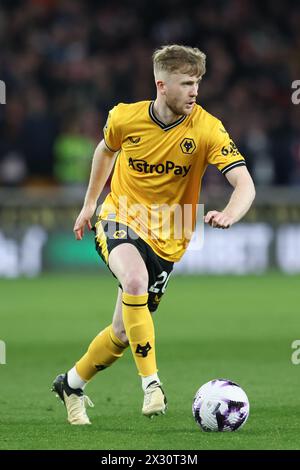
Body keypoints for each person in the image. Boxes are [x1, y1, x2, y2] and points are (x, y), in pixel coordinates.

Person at [52, 44, 255, 425]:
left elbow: (245, 184)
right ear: (162, 85)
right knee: (134, 281)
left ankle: (71, 383)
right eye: (187, 83)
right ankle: (152, 385)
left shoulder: (208, 128)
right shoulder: (125, 117)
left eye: (198, 82)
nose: (195, 91)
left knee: (122, 333)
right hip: (120, 215)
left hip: (173, 232)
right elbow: (105, 150)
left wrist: (229, 212)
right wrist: (89, 204)